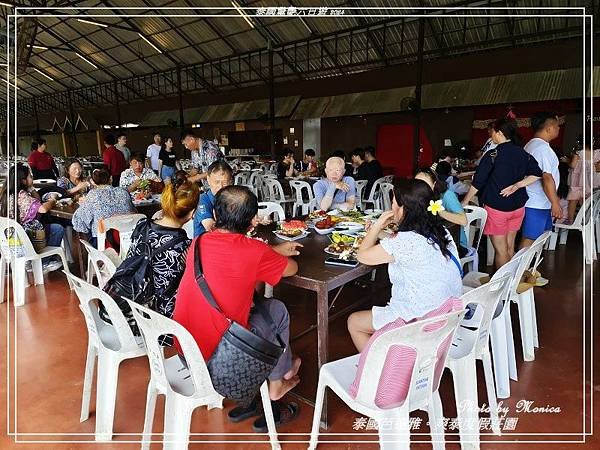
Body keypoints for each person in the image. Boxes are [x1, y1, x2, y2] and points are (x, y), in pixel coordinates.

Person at [174, 185, 302, 430]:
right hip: (221, 360)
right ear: (252, 220)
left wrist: (269, 253)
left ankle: (259, 390)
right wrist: (272, 253)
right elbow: (291, 269)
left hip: (186, 351)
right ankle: (277, 383)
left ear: (216, 212)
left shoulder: (198, 242)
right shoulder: (253, 250)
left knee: (261, 311)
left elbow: (234, 264)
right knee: (276, 310)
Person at [347, 178, 463, 352]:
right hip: (447, 312)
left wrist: (376, 226)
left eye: (393, 202)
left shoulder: (405, 241)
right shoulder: (440, 231)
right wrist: (381, 234)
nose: (391, 206)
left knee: (354, 322)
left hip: (420, 320)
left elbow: (363, 256)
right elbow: (406, 246)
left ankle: (378, 372)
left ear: (403, 209)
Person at [102, 178, 200, 339]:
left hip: (119, 306)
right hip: (155, 324)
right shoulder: (185, 248)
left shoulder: (141, 225)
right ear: (192, 214)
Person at [462, 117, 542, 269]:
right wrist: (517, 185)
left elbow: (478, 182)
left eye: (492, 132)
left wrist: (465, 201)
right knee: (510, 248)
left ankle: (502, 289)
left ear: (499, 133)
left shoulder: (493, 155)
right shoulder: (522, 153)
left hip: (497, 208)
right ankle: (510, 286)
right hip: (518, 208)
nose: (491, 136)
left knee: (501, 251)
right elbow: (537, 173)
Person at [0, 163, 63, 271]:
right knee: (57, 229)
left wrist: (31, 188)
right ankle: (43, 263)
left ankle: (36, 261)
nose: (32, 178)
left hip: (8, 238)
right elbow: (42, 208)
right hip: (23, 238)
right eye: (30, 176)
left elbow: (36, 200)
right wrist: (53, 200)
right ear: (23, 180)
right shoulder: (21, 195)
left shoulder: (4, 194)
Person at [521, 112, 562, 249]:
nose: (558, 129)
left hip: (540, 202)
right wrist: (555, 202)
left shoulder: (531, 145)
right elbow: (547, 178)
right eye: (557, 126)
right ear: (549, 128)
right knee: (530, 240)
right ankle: (518, 270)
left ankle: (528, 269)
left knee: (538, 239)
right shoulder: (542, 149)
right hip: (536, 203)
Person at [72, 168, 135, 248]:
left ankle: (95, 257)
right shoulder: (123, 192)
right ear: (111, 179)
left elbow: (78, 223)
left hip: (104, 243)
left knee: (91, 225)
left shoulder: (93, 195)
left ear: (93, 182)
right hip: (128, 240)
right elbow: (133, 212)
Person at [415, 167, 469, 257]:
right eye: (417, 184)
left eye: (425, 184)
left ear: (434, 184)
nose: (421, 188)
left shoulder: (447, 195)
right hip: (430, 241)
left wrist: (439, 211)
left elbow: (463, 220)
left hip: (454, 243)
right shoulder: (417, 197)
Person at [193, 160, 233, 237]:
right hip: (205, 245)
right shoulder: (203, 200)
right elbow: (210, 227)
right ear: (208, 179)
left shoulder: (231, 199)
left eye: (225, 183)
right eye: (217, 182)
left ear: (230, 181)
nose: (220, 187)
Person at [566, 142, 600, 223]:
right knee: (587, 202)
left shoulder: (578, 152)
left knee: (573, 200)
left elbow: (573, 165)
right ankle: (586, 222)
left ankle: (570, 222)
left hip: (577, 181)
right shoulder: (597, 153)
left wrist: (568, 161)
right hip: (590, 181)